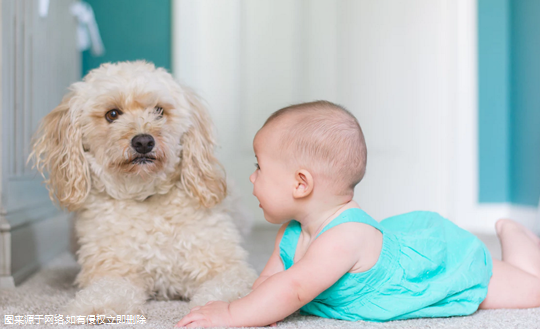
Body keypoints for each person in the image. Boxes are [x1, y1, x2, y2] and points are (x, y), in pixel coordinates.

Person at [176, 100, 540, 328]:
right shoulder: (291, 231)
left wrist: (231, 316)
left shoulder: (344, 238)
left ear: (301, 184)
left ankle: (518, 240)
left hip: (434, 267)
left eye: (260, 168)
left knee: (531, 290)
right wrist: (256, 308)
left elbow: (295, 287)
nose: (252, 177)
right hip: (392, 248)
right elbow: (272, 282)